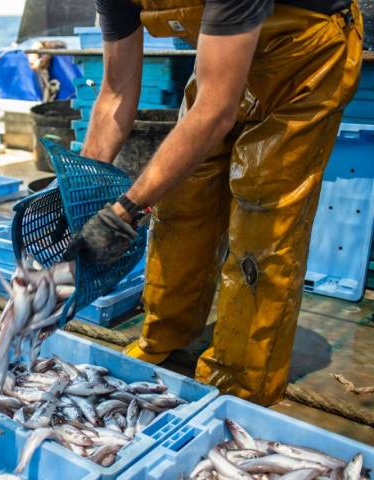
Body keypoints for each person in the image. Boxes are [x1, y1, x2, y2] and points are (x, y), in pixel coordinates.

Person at [64, 0, 362, 406]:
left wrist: (126, 210)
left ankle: (241, 381)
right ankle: (163, 335)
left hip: (306, 60)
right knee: (181, 205)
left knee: (263, 223)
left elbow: (215, 112)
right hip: (222, 58)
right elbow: (116, 92)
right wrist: (82, 184)